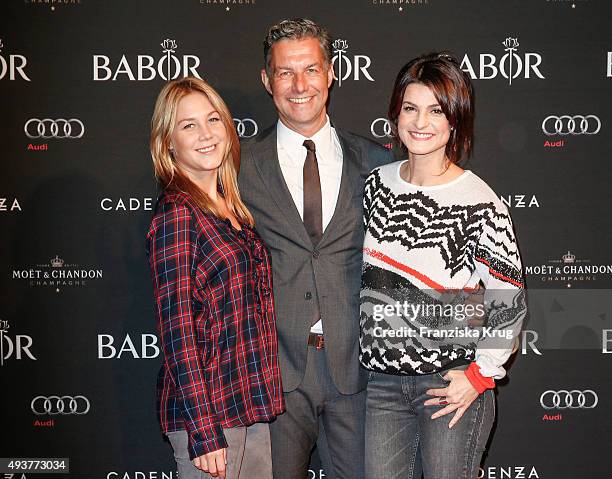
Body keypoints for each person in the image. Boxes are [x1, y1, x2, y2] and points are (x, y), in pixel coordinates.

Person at [238, 18, 394, 479]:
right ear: (268, 81)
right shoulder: (238, 164)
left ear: (331, 74)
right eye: (285, 72)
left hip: (357, 369)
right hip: (274, 371)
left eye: (310, 69)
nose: (299, 85)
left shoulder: (377, 161)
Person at [360, 53, 526, 479]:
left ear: (455, 120)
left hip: (449, 384)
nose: (421, 122)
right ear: (396, 113)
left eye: (436, 110)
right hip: (381, 386)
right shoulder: (377, 185)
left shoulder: (479, 201)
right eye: (410, 108)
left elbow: (508, 299)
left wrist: (479, 375)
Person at [146, 77, 284, 479]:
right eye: (189, 125)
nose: (206, 135)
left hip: (248, 406)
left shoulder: (231, 209)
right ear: (168, 142)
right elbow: (177, 333)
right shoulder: (177, 215)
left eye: (212, 120)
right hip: (209, 418)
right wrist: (204, 433)